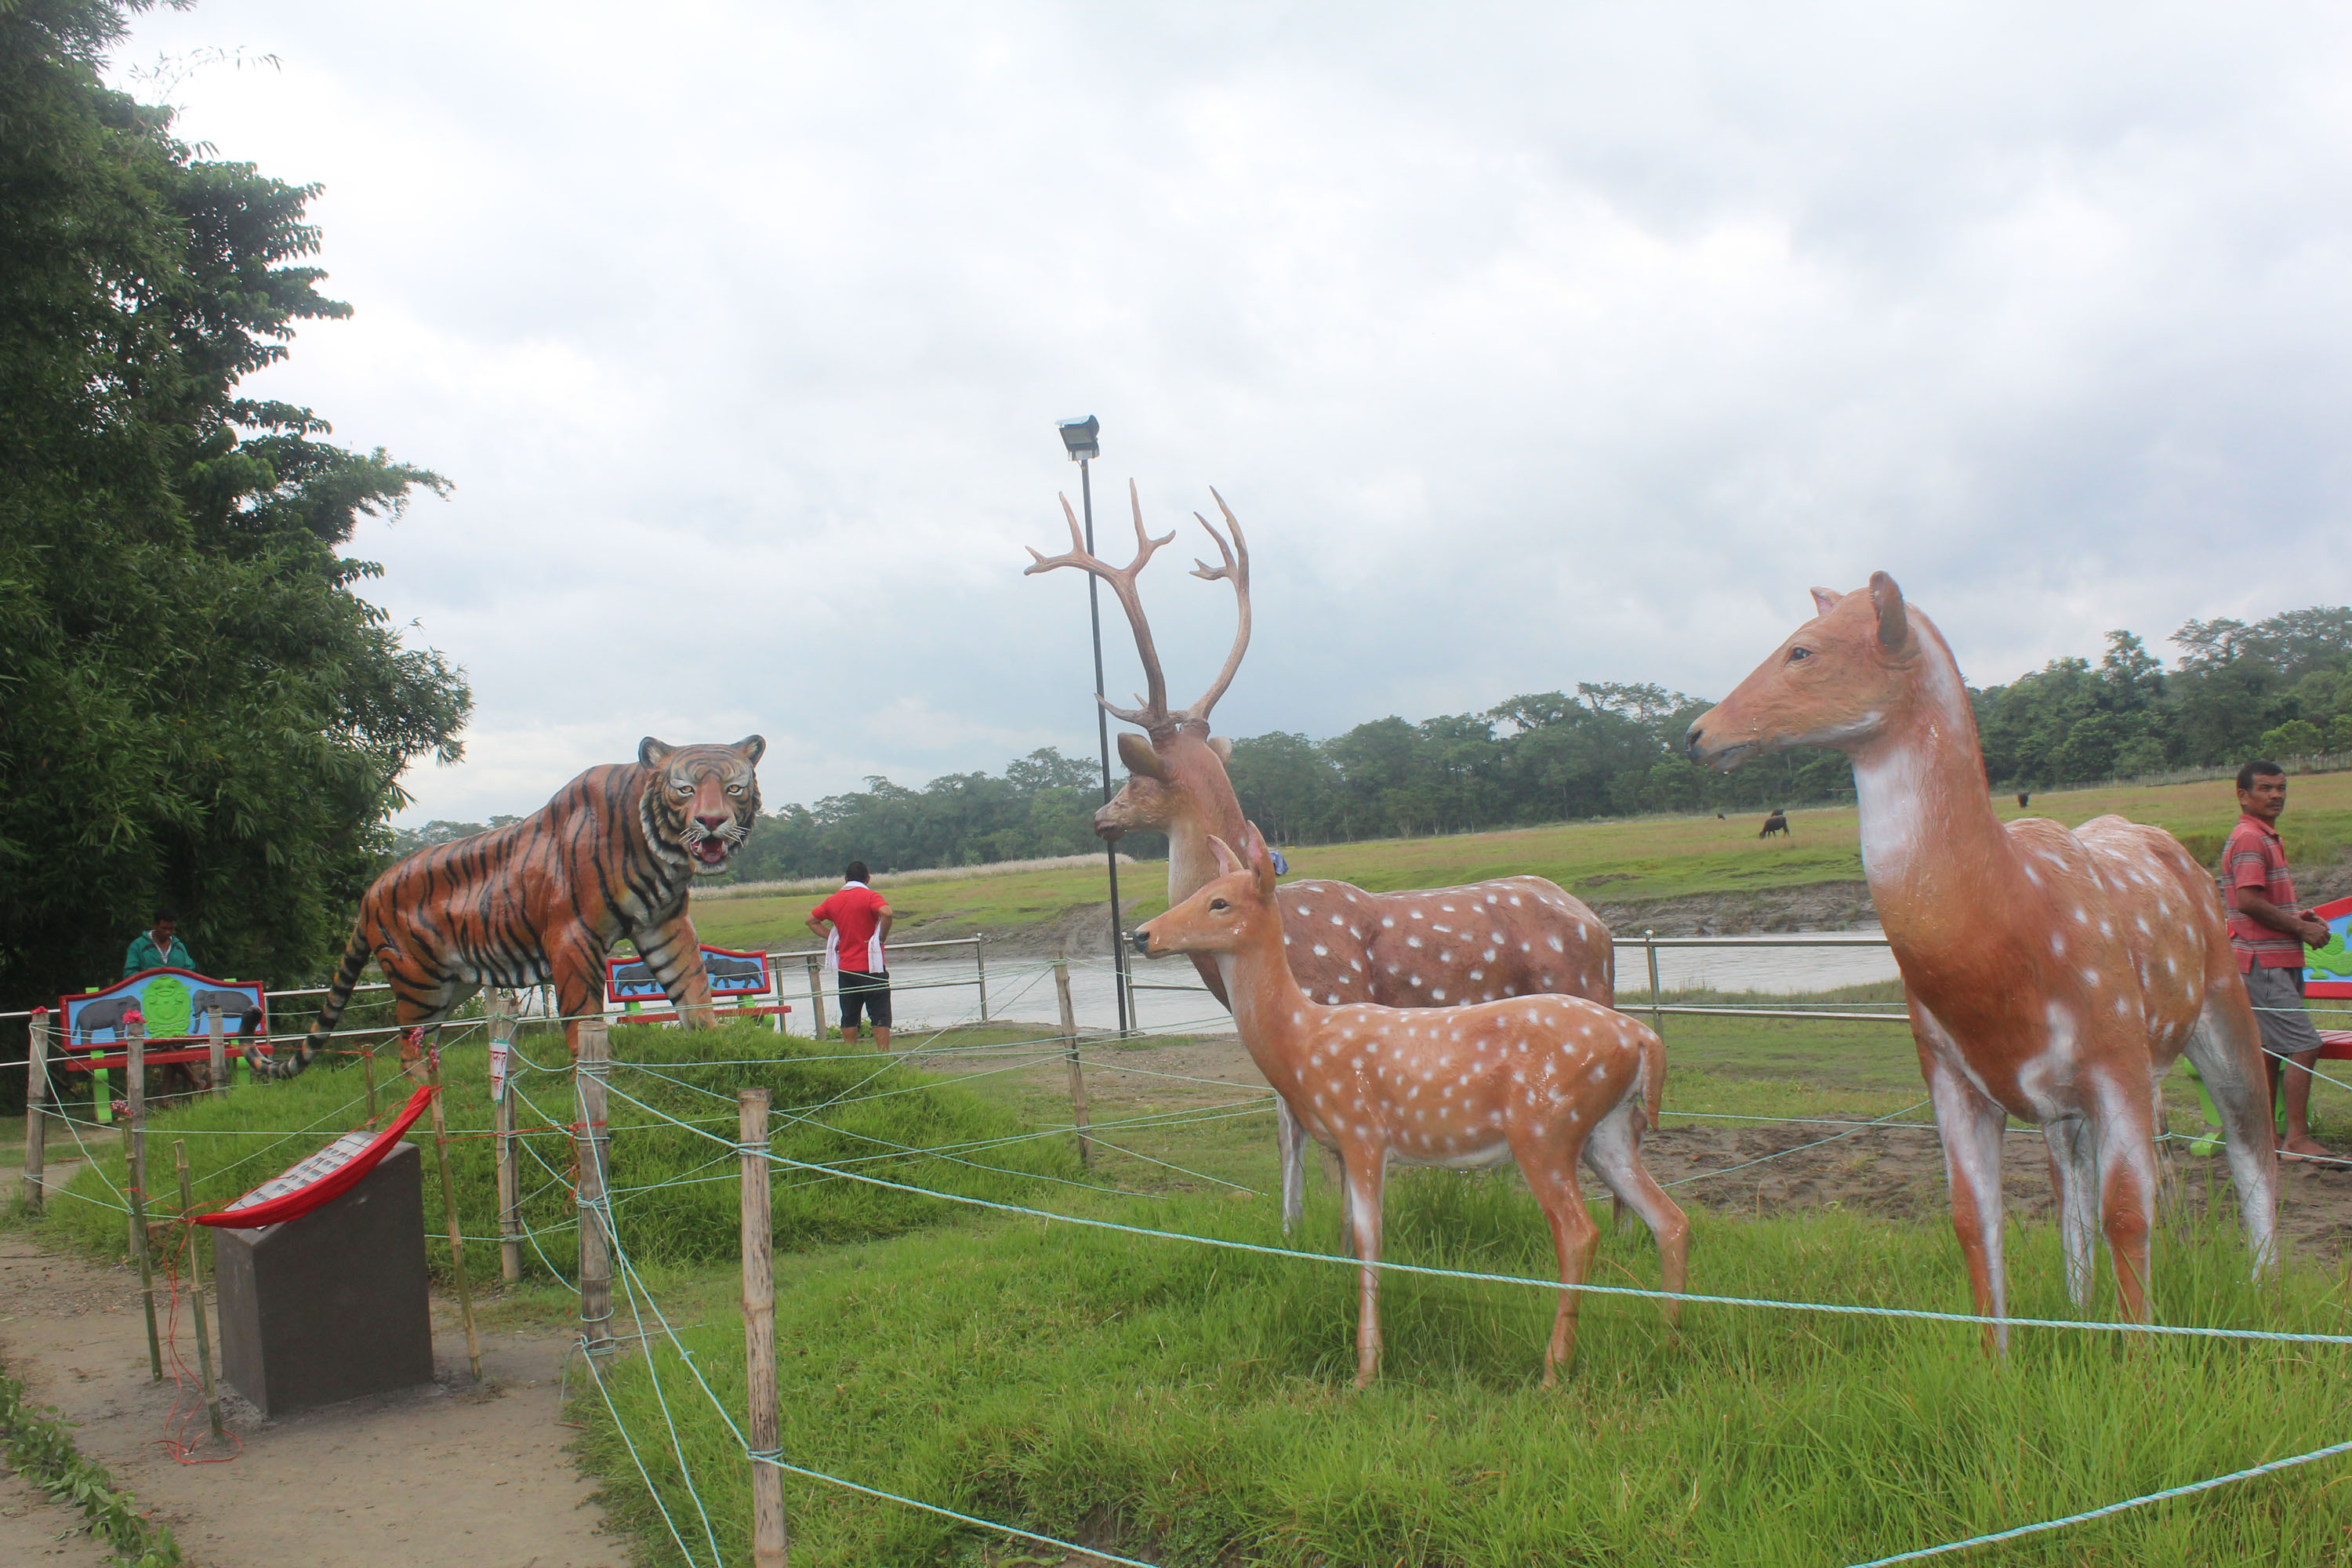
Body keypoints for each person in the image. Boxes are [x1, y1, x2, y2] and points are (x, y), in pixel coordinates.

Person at [2223, 760, 2336, 1163]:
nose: (2276, 796)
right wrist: (2302, 930)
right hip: (2264, 963)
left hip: (2272, 958)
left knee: (2272, 1048)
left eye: (2281, 788)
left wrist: (2295, 921)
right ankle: (2296, 1138)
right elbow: (2247, 901)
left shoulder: (2263, 836)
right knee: (2306, 1045)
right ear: (2243, 795)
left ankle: (2268, 1137)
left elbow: (2258, 900)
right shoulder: (2250, 838)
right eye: (2266, 788)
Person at [807, 861, 894, 1051]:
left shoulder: (833, 900)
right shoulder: (870, 896)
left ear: (845, 879)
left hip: (846, 968)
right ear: (868, 878)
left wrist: (834, 940)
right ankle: (884, 1056)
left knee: (849, 1015)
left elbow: (811, 920)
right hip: (871, 968)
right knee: (880, 1013)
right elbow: (886, 913)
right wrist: (881, 938)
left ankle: (850, 1055)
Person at [122, 906, 192, 978]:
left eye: (171, 929)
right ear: (155, 925)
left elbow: (190, 971)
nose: (167, 932)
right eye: (164, 928)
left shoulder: (179, 947)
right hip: (148, 988)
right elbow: (130, 973)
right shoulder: (138, 945)